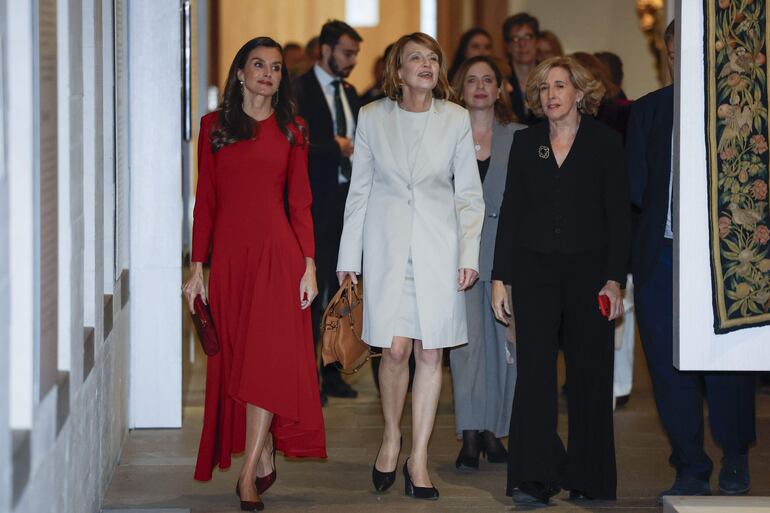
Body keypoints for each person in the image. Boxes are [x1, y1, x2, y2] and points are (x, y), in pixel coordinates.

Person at [337, 32, 484, 500]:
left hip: (439, 252)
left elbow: (469, 196)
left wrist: (469, 255)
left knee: (430, 352)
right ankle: (391, 437)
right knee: (396, 350)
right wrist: (348, 258)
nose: (426, 64)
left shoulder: (455, 119)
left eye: (432, 57)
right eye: (415, 58)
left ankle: (418, 458)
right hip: (386, 252)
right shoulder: (372, 117)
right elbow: (358, 191)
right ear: (397, 71)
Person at [184, 37, 327, 511]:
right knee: (239, 362)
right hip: (228, 262)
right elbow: (205, 204)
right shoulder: (212, 128)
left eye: (276, 68)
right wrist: (197, 267)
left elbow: (301, 202)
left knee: (265, 362)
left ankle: (247, 476)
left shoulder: (294, 129)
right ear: (240, 73)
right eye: (258, 65)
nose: (268, 73)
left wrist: (309, 265)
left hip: (277, 258)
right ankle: (263, 450)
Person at [491, 56, 631, 504]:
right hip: (534, 271)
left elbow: (620, 218)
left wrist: (615, 280)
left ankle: (590, 476)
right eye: (545, 87)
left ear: (580, 93)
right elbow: (510, 213)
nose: (551, 94)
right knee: (534, 373)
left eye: (560, 86)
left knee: (590, 372)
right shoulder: (527, 142)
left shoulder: (606, 142)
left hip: (591, 272)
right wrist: (500, 278)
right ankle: (533, 477)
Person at [627, 20, 756, 502]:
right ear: (668, 55)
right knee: (667, 364)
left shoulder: (743, 111)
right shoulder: (649, 111)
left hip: (727, 259)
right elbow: (634, 189)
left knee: (727, 363)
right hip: (663, 254)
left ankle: (735, 453)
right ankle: (689, 463)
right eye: (678, 50)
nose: (686, 58)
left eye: (698, 49)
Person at [448, 55, 522, 471]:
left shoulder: (521, 136)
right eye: (471, 79)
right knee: (465, 345)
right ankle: (470, 433)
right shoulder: (446, 135)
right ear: (460, 89)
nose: (479, 86)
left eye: (488, 79)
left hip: (506, 250)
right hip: (456, 253)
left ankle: (496, 429)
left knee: (502, 343)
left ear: (499, 89)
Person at [294, 20, 362, 404]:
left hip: (347, 205)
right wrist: (335, 147)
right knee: (312, 291)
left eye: (355, 55)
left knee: (343, 292)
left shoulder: (350, 93)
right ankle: (307, 377)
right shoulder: (299, 90)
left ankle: (332, 370)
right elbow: (297, 143)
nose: (352, 61)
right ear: (325, 49)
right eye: (346, 53)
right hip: (314, 203)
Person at [502, 12, 540, 125]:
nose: (522, 44)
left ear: (537, 42)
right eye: (515, 39)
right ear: (507, 46)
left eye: (528, 37)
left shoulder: (550, 76)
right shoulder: (500, 79)